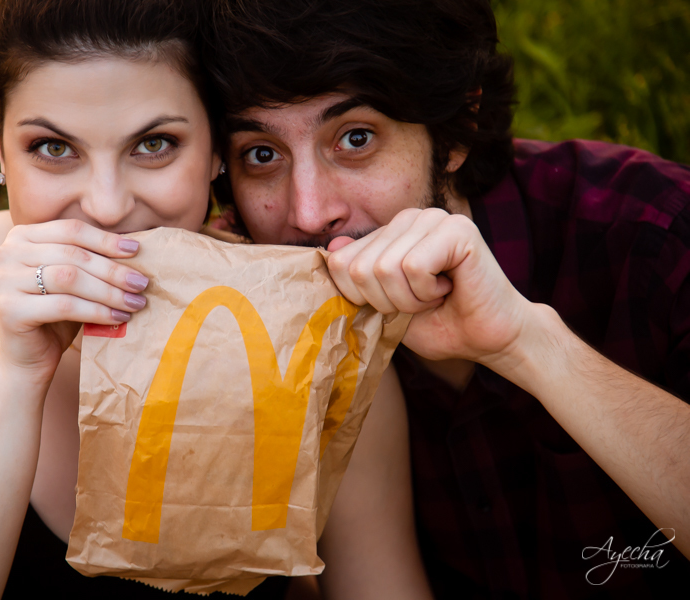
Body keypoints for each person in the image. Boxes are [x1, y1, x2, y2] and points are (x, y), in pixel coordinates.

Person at [0, 1, 426, 598]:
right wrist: (18, 375)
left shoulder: (307, 320)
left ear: (217, 149)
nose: (107, 206)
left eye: (154, 144)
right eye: (54, 149)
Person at [202, 0, 690, 597]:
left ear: (456, 126)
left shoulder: (655, 235)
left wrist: (525, 344)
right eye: (261, 155)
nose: (309, 212)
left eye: (356, 138)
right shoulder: (253, 325)